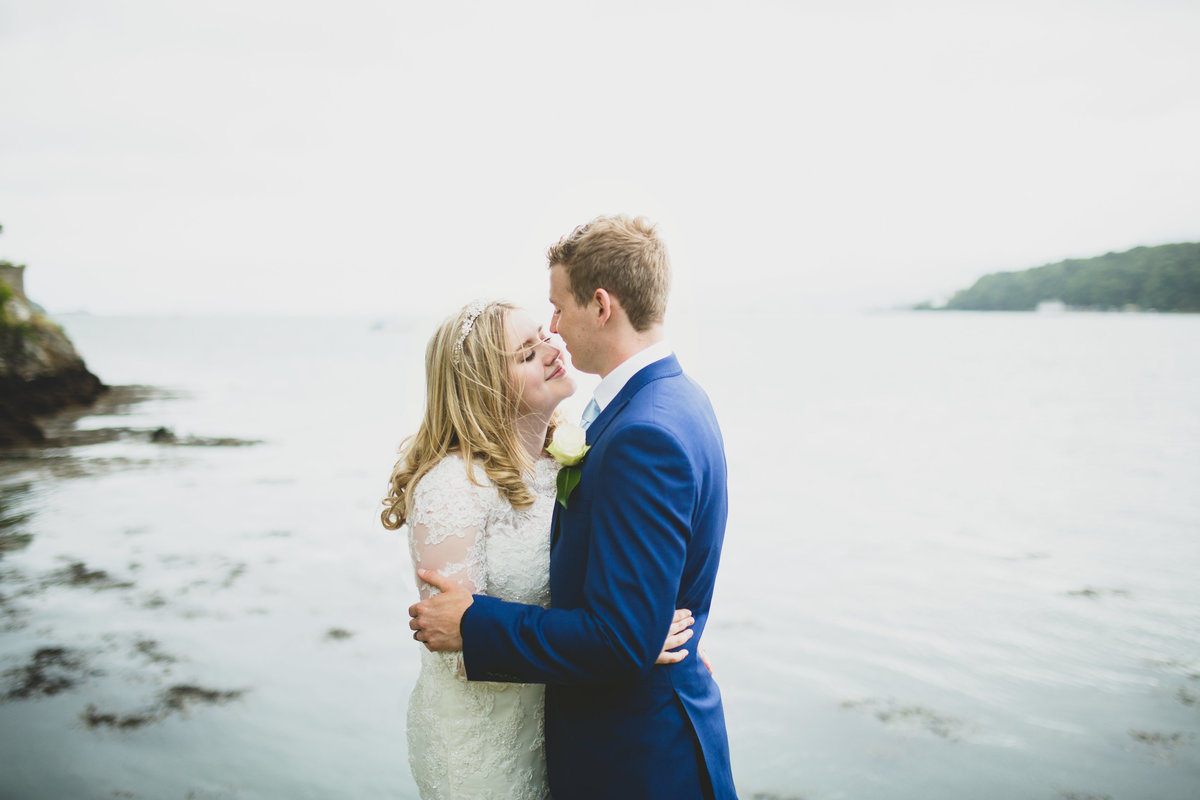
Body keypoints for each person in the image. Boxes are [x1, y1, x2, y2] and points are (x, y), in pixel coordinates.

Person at [409, 216, 737, 799]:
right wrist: (640, 630)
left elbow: (621, 635)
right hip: (514, 739)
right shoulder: (672, 402)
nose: (555, 333)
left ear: (602, 305)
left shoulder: (641, 432)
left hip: (634, 756)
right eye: (530, 348)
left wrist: (478, 626)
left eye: (556, 312)